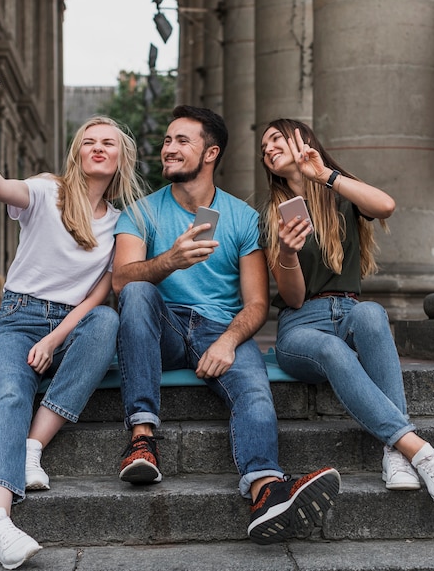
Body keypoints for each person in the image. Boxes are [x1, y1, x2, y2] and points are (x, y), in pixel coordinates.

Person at [112, 105, 341, 545]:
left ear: (211, 152)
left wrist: (229, 341)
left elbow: (257, 303)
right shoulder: (140, 212)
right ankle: (142, 438)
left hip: (220, 329)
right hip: (161, 326)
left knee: (253, 388)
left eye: (182, 141)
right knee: (140, 290)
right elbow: (121, 281)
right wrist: (169, 262)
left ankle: (266, 492)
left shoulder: (241, 218)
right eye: (167, 141)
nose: (170, 149)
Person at [0, 103, 147, 569]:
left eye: (109, 143)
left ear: (122, 159)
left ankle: (31, 448)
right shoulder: (46, 192)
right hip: (17, 319)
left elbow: (98, 296)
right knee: (13, 393)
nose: (98, 147)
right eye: (89, 141)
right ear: (77, 153)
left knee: (108, 322)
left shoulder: (119, 222)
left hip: (70, 327)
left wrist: (55, 338)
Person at [259, 118, 434, 506]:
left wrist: (325, 175)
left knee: (371, 312)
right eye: (263, 148)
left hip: (349, 310)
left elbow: (385, 205)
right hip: (300, 327)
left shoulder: (340, 193)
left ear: (302, 140)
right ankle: (419, 452)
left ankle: (393, 453)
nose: (268, 149)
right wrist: (286, 252)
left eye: (275, 139)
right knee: (333, 350)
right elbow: (295, 298)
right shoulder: (272, 215)